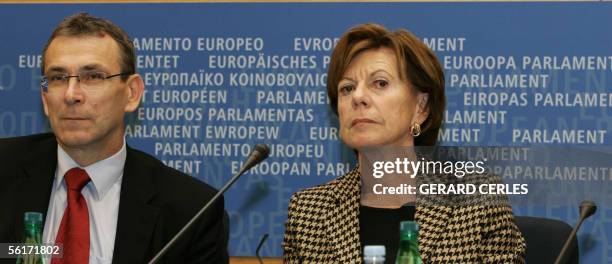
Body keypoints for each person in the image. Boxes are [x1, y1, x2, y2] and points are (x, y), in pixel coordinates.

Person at [282, 23, 526, 263]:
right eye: (347, 88)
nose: (358, 97)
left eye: (380, 83)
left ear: (421, 108)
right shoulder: (309, 211)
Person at [0, 13, 228, 264]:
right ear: (45, 97)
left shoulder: (190, 211)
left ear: (132, 93)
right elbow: (8, 251)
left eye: (93, 76)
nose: (71, 94)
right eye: (58, 78)